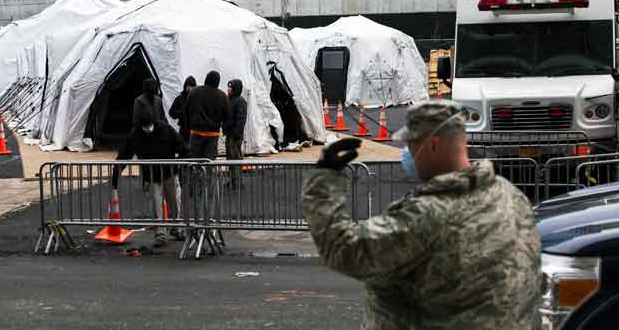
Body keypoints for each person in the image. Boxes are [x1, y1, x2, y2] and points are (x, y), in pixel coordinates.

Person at [302, 100, 541, 330]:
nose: (406, 152)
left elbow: (344, 249)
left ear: (433, 143)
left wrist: (324, 181)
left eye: (411, 144)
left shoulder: (428, 214)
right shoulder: (510, 196)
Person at [111, 107, 187, 247]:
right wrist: (117, 172)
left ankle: (175, 228)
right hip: (153, 175)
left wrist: (180, 165)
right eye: (145, 126)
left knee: (174, 202)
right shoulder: (136, 134)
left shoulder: (165, 129)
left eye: (149, 125)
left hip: (168, 172)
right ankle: (161, 233)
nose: (148, 129)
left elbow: (181, 146)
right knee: (156, 205)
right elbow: (125, 155)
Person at [184, 71, 230, 160]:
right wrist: (222, 127)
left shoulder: (194, 92)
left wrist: (189, 127)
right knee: (209, 162)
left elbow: (186, 111)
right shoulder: (222, 96)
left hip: (196, 132)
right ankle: (208, 174)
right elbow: (227, 116)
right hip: (212, 134)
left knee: (194, 161)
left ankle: (195, 174)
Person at [223, 79, 247, 161]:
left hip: (235, 135)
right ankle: (232, 173)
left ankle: (236, 173)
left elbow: (241, 119)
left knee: (235, 157)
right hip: (229, 134)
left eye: (231, 87)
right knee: (230, 157)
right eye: (228, 87)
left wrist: (236, 133)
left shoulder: (240, 101)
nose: (229, 89)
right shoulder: (229, 100)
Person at [169, 76, 197, 141]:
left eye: (192, 86)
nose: (190, 88)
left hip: (195, 131)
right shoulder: (180, 98)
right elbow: (171, 112)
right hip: (184, 130)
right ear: (185, 86)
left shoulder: (197, 98)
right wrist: (182, 113)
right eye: (188, 86)